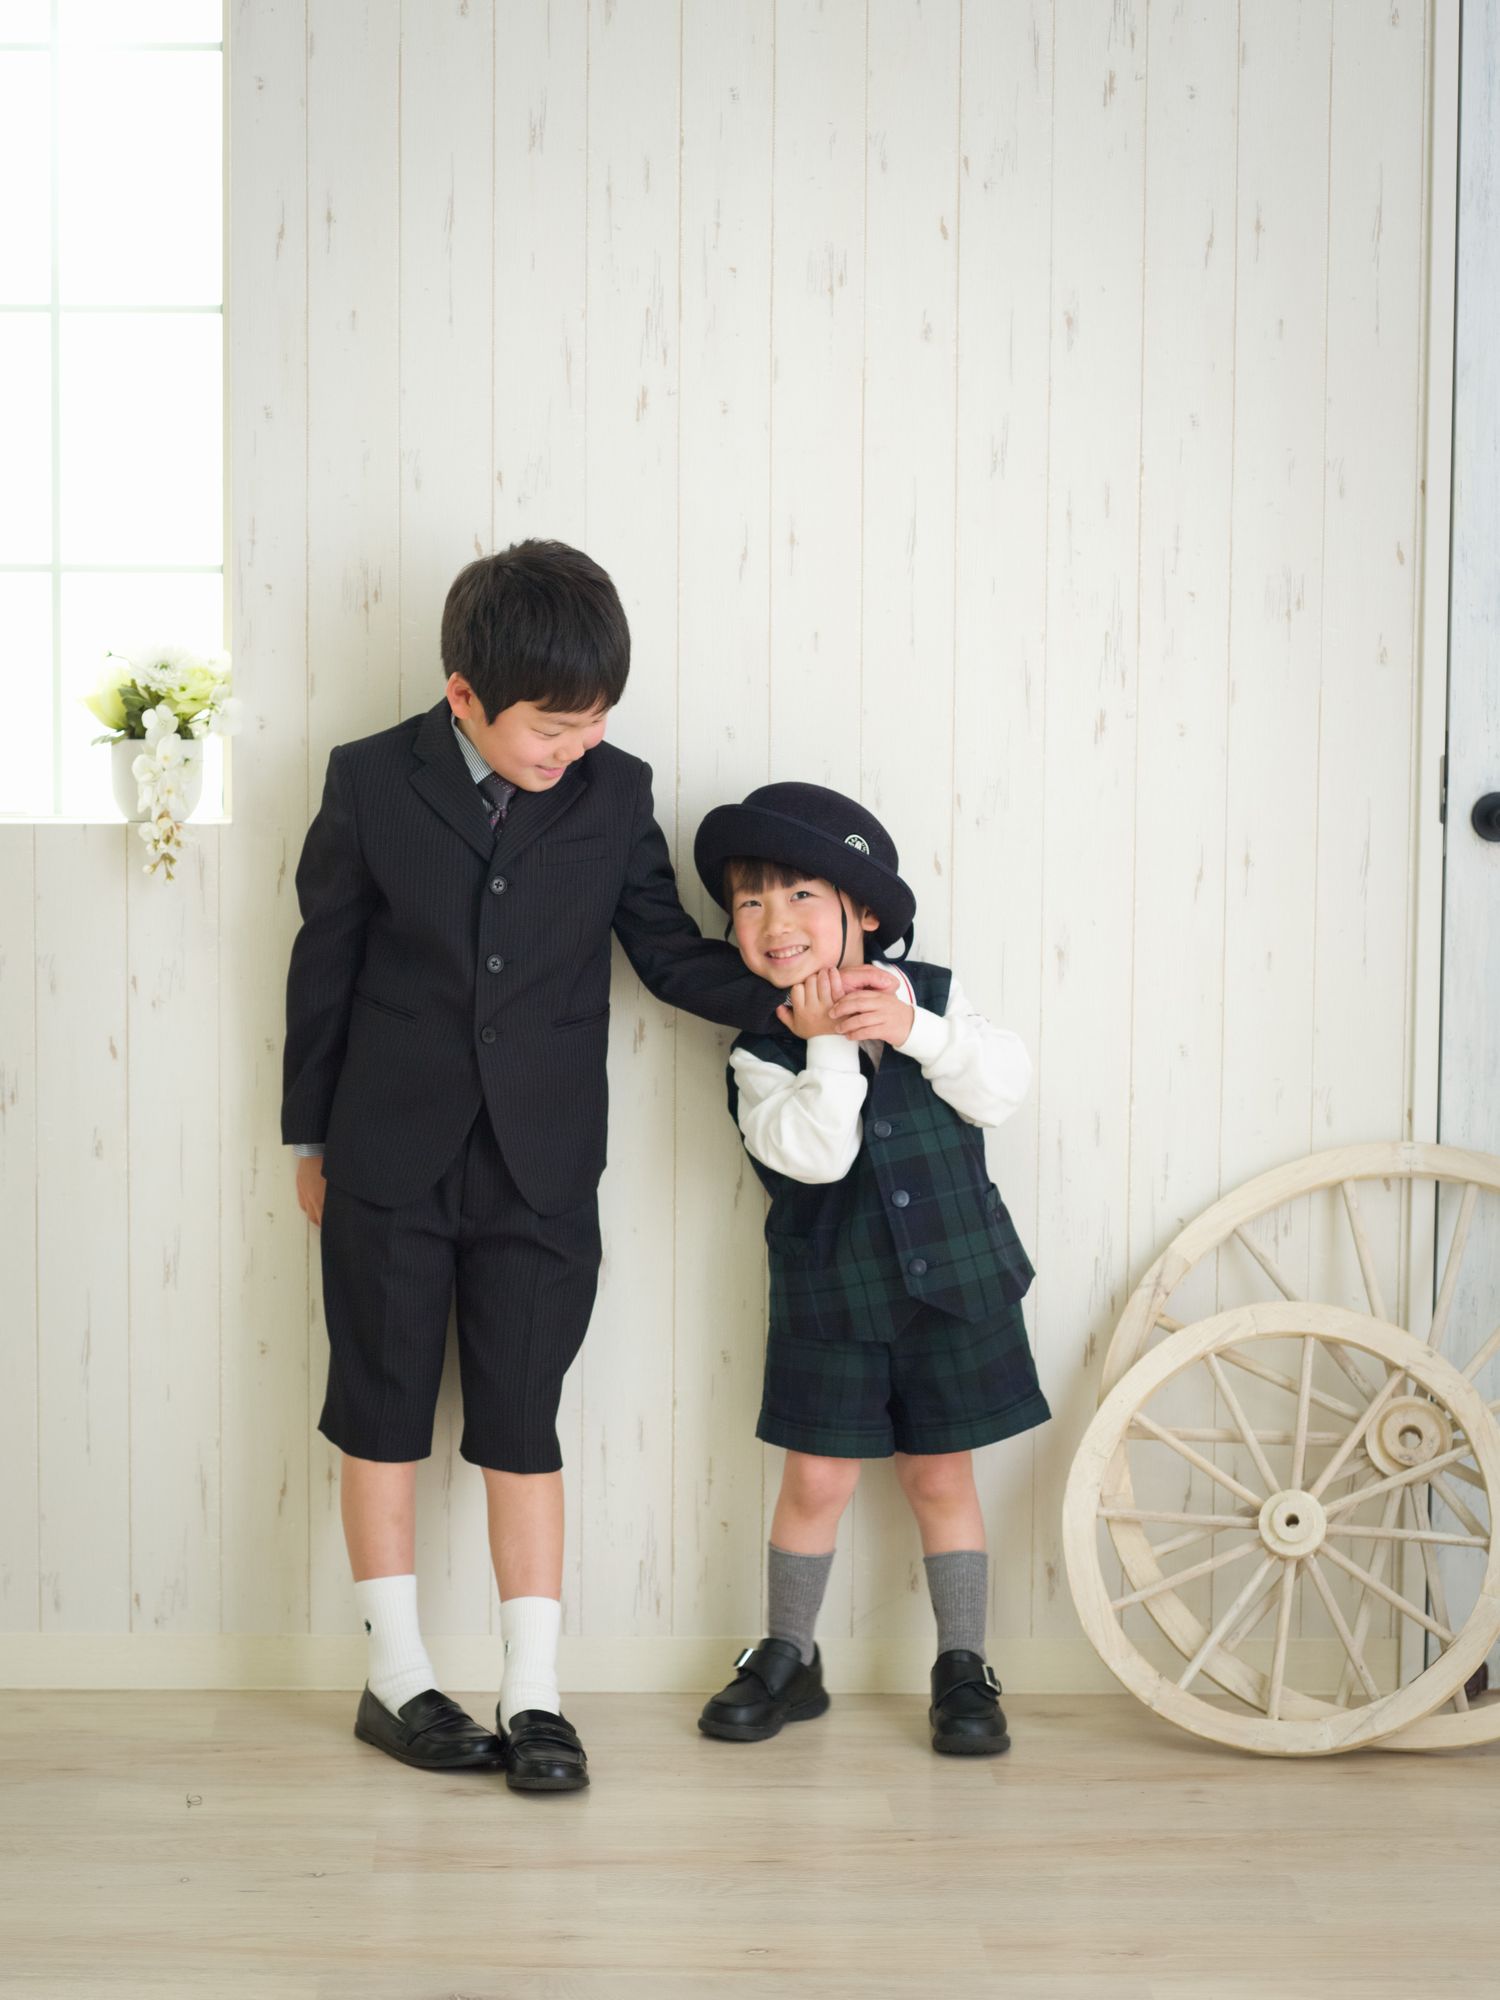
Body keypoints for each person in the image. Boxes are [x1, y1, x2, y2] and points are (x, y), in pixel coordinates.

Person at [283, 542, 895, 1792]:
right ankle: (396, 1676)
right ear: (464, 695)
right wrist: (309, 1139)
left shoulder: (617, 792)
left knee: (523, 1420)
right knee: (381, 1410)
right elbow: (322, 965)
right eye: (552, 727)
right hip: (386, 1154)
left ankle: (535, 1694)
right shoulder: (369, 779)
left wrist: (800, 999)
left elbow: (665, 951)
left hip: (543, 1164)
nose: (577, 746)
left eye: (597, 720)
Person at [690, 783, 1049, 1755]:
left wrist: (914, 1031)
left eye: (801, 895)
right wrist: (828, 1048)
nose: (774, 922)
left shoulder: (932, 995)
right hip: (831, 1297)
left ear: (868, 914)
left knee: (940, 1475)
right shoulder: (760, 1050)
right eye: (750, 902)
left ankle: (963, 1663)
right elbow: (816, 1157)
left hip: (955, 1287)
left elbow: (1001, 1088)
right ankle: (790, 1651)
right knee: (816, 1479)